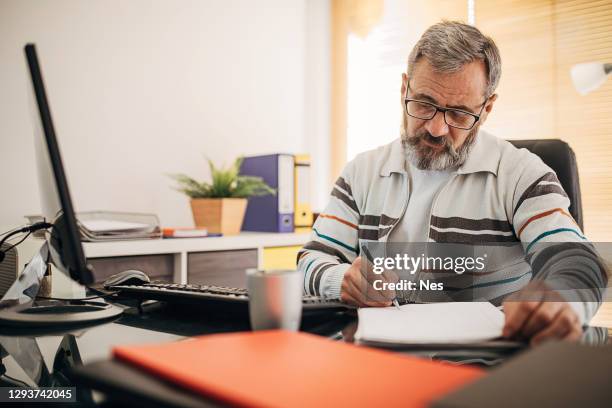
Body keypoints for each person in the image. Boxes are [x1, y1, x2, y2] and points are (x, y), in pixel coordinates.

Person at [297, 21, 607, 345]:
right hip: (379, 362)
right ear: (404, 89)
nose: (435, 128)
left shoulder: (523, 174)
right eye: (424, 104)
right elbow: (311, 258)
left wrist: (562, 299)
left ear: (486, 109)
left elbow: (578, 260)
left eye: (458, 114)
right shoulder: (361, 172)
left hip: (484, 373)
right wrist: (340, 279)